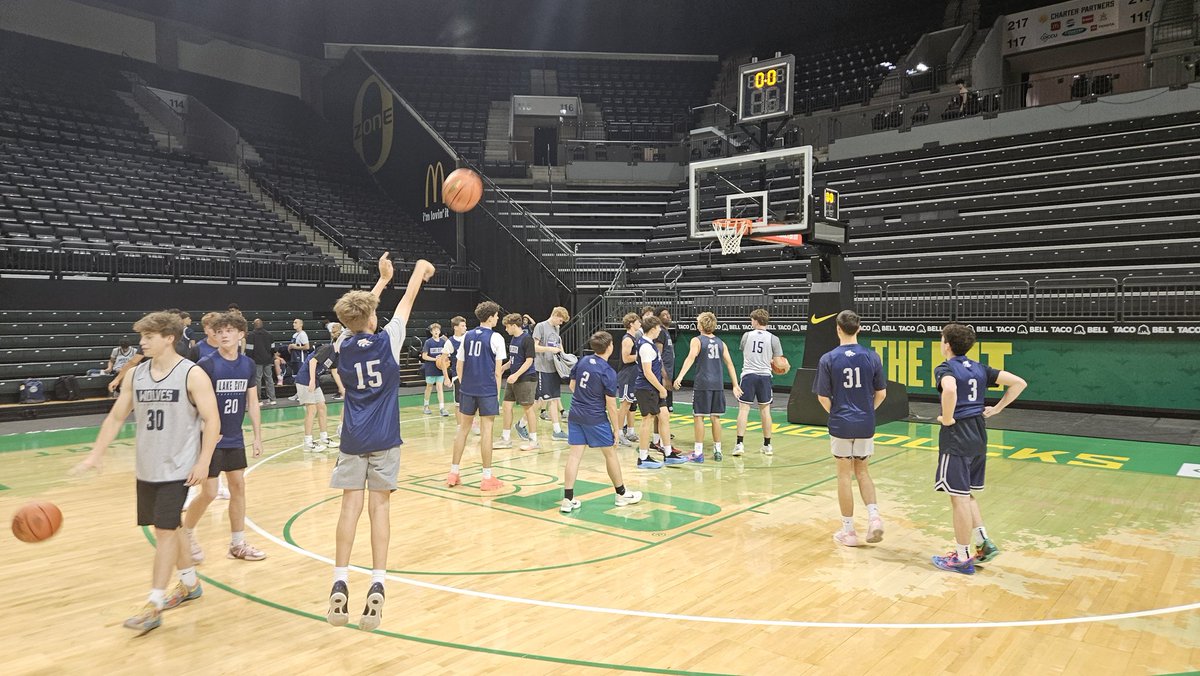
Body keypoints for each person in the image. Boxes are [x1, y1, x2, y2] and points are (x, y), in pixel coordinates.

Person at [72, 311, 220, 634]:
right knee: (169, 526)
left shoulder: (191, 375)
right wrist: (96, 454)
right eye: (142, 336)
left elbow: (213, 420)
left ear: (169, 338)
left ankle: (153, 604)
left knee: (164, 532)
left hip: (179, 467)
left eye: (148, 337)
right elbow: (114, 418)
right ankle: (190, 583)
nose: (142, 342)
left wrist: (204, 461)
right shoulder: (134, 375)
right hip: (147, 466)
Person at [326, 254, 434, 630]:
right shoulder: (388, 341)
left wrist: (380, 282)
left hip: (352, 438)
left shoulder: (341, 345)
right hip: (385, 439)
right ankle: (378, 582)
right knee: (379, 511)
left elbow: (356, 316)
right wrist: (419, 270)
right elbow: (409, 299)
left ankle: (340, 578)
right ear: (372, 320)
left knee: (348, 510)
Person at [931, 323, 1027, 575]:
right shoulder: (979, 368)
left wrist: (948, 418)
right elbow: (1019, 383)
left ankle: (962, 556)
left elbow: (949, 388)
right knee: (966, 493)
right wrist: (996, 409)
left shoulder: (945, 368)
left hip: (958, 435)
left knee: (959, 497)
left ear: (947, 345)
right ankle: (983, 542)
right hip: (978, 434)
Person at [182, 312, 266, 563]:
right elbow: (190, 402)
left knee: (238, 486)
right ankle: (185, 533)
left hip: (234, 436)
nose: (224, 335)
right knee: (208, 492)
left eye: (229, 330)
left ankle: (238, 543)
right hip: (210, 438)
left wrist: (258, 436)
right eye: (219, 332)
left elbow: (252, 401)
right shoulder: (206, 364)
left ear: (241, 334)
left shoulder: (248, 365)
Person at [813, 311, 887, 547]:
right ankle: (874, 517)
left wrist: (837, 413)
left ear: (837, 329)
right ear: (859, 328)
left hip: (841, 423)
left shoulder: (828, 358)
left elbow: (823, 397)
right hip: (865, 422)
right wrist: (868, 411)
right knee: (863, 471)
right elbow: (882, 393)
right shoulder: (872, 356)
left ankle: (849, 531)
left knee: (844, 475)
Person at [560, 331, 643, 513]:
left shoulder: (582, 361)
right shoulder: (607, 371)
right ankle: (621, 494)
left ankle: (567, 499)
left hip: (575, 414)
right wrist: (616, 429)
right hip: (595, 417)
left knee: (574, 456)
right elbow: (611, 405)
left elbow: (573, 387)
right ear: (610, 347)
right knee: (611, 454)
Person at [447, 301, 506, 491]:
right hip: (487, 389)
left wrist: (466, 385)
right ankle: (487, 477)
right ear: (490, 317)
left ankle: (453, 473)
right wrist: (496, 394)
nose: (498, 318)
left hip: (467, 389)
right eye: (496, 315)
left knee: (462, 430)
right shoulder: (496, 338)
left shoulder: (466, 336)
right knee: (487, 430)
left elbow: (458, 366)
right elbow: (498, 372)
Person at [674, 311, 741, 462]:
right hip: (717, 384)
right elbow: (730, 364)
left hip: (703, 384)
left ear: (702, 325)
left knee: (699, 417)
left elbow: (690, 358)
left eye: (698, 322)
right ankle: (718, 450)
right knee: (715, 417)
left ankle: (698, 452)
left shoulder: (697, 341)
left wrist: (680, 376)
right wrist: (735, 385)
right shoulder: (721, 342)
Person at [734, 309, 784, 457]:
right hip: (764, 376)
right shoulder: (774, 338)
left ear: (755, 321)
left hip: (749, 375)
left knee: (744, 409)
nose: (751, 322)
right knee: (765, 410)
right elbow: (778, 361)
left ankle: (739, 444)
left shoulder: (746, 335)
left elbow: (744, 350)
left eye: (751, 320)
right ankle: (767, 445)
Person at [633, 315, 678, 468]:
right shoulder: (645, 346)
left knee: (664, 416)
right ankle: (643, 457)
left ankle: (668, 453)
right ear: (653, 329)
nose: (660, 330)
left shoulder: (649, 343)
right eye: (658, 327)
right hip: (647, 388)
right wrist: (661, 388)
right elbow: (647, 372)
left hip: (653, 387)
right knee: (647, 420)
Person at [495, 313, 539, 451]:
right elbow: (515, 359)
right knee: (507, 406)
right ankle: (506, 438)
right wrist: (504, 367)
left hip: (526, 378)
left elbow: (529, 360)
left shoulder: (527, 339)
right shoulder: (514, 339)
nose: (506, 329)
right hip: (513, 378)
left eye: (507, 327)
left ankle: (533, 440)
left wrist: (516, 374)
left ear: (514, 326)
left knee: (528, 408)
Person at [295, 327, 341, 452]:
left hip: (314, 381)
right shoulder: (328, 348)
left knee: (322, 407)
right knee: (312, 409)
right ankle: (308, 442)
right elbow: (312, 362)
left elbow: (335, 372)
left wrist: (342, 388)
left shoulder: (336, 355)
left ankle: (324, 438)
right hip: (305, 379)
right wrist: (311, 380)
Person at [531, 306, 570, 443]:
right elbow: (534, 347)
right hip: (542, 368)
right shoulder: (540, 326)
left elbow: (557, 344)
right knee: (541, 401)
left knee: (553, 398)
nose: (561, 323)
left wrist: (563, 355)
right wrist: (550, 349)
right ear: (556, 315)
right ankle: (522, 424)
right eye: (561, 320)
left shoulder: (556, 328)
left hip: (554, 368)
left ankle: (557, 430)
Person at [613, 313, 642, 446]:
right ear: (631, 324)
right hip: (627, 374)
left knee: (630, 405)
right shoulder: (628, 339)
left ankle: (629, 432)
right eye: (637, 321)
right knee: (624, 405)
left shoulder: (634, 338)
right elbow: (626, 358)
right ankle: (618, 434)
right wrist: (640, 356)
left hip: (633, 375)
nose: (640, 323)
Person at [420, 323, 451, 416]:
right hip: (430, 368)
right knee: (429, 387)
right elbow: (424, 356)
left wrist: (445, 360)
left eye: (437, 330)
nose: (436, 331)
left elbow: (447, 354)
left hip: (440, 368)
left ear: (440, 331)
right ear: (431, 332)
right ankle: (426, 406)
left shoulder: (443, 342)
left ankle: (442, 408)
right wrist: (436, 359)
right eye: (434, 330)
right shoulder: (428, 342)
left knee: (439, 387)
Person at [248, 318, 277, 405]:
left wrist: (249, 360)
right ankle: (272, 399)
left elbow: (249, 350)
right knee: (269, 379)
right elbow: (273, 349)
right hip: (268, 360)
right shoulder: (269, 335)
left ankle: (258, 400)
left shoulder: (251, 335)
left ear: (254, 325)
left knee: (257, 380)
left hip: (256, 361)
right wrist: (271, 357)